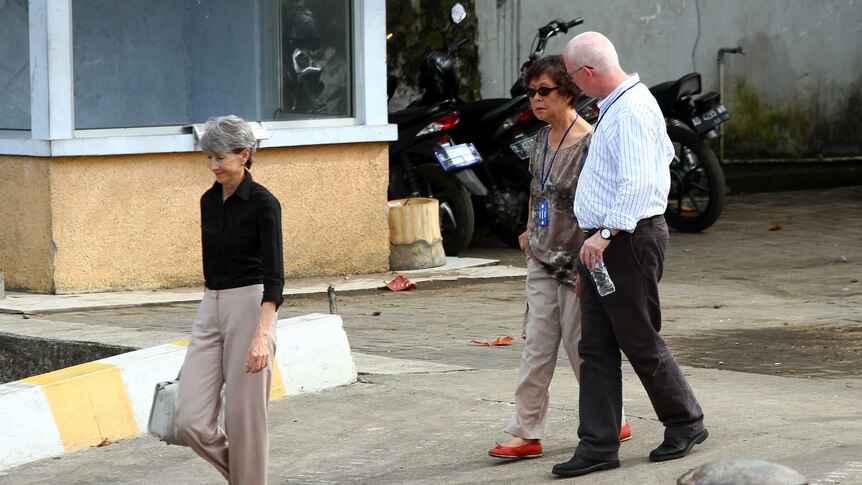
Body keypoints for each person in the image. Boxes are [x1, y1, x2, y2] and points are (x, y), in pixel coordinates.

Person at [551, 32, 708, 478]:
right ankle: (598, 444)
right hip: (606, 240)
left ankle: (685, 421)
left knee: (638, 337)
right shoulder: (619, 106)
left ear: (587, 73)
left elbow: (638, 184)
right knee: (595, 346)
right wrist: (595, 240)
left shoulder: (633, 108)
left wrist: (602, 234)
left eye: (573, 78)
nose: (574, 86)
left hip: (626, 238)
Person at [487, 56, 630, 461]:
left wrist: (591, 261)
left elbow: (600, 203)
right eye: (531, 92)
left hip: (576, 262)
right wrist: (531, 226)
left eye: (544, 91)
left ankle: (611, 418)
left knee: (581, 347)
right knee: (536, 347)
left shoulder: (589, 142)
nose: (535, 99)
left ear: (568, 92)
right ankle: (525, 431)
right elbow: (540, 191)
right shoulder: (538, 142)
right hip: (541, 257)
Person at [175, 115, 284, 485]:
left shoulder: (263, 204)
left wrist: (261, 335)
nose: (212, 165)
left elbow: (274, 278)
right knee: (189, 419)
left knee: (244, 422)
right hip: (211, 305)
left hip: (250, 307)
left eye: (220, 157)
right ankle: (246, 478)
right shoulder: (208, 200)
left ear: (245, 154)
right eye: (208, 157)